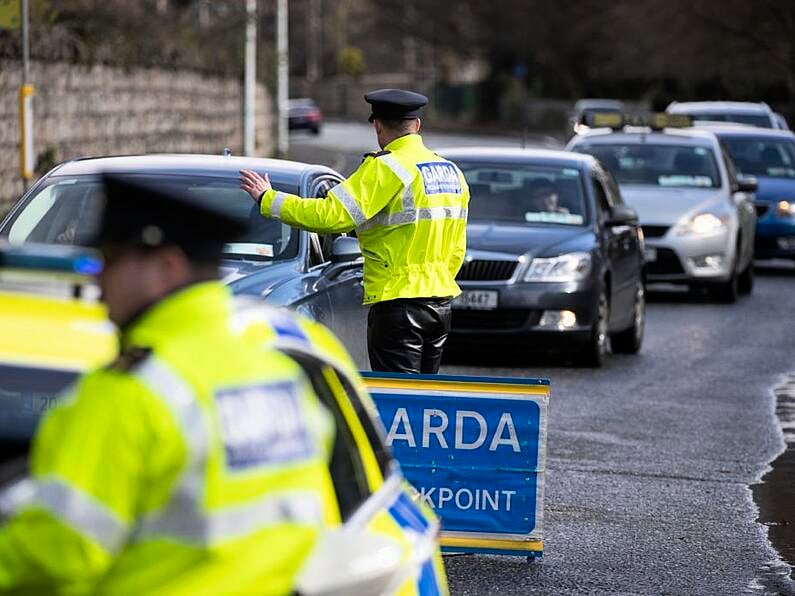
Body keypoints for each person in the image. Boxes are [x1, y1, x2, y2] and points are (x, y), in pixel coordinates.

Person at [0, 175, 340, 595]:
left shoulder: (129, 396)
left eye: (109, 260)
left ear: (167, 267)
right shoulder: (280, 371)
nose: (97, 280)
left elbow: (56, 554)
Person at [240, 89, 470, 374]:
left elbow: (333, 215)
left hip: (398, 304)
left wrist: (269, 199)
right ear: (417, 126)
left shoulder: (386, 168)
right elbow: (458, 244)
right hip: (440, 304)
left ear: (378, 125)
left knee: (397, 402)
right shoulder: (451, 172)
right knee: (423, 402)